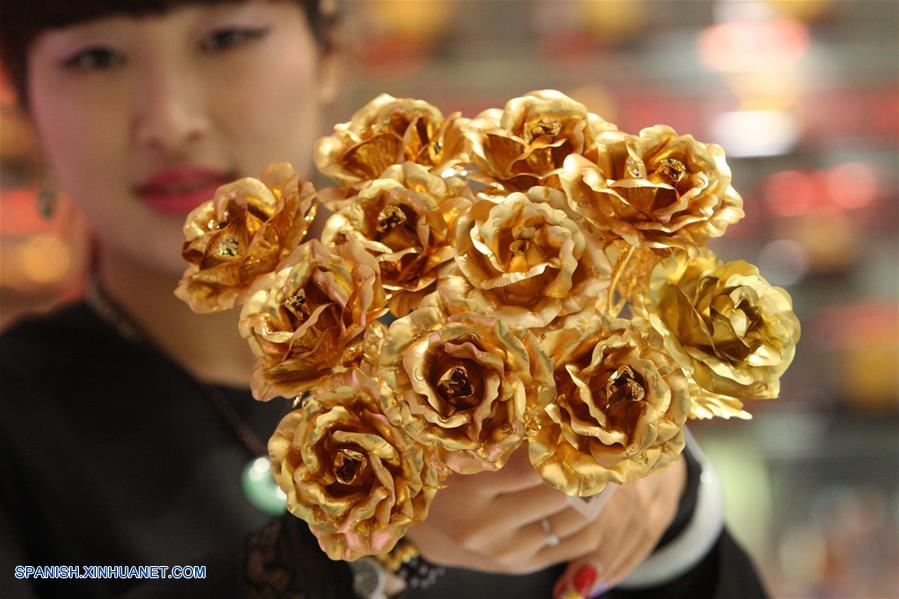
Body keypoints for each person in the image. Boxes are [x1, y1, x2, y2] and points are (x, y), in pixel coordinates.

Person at [0, 1, 770, 597]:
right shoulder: (23, 426)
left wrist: (669, 510)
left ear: (328, 49)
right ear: (23, 99)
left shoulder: (501, 344)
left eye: (226, 36)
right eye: (94, 55)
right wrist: (383, 548)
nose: (167, 120)